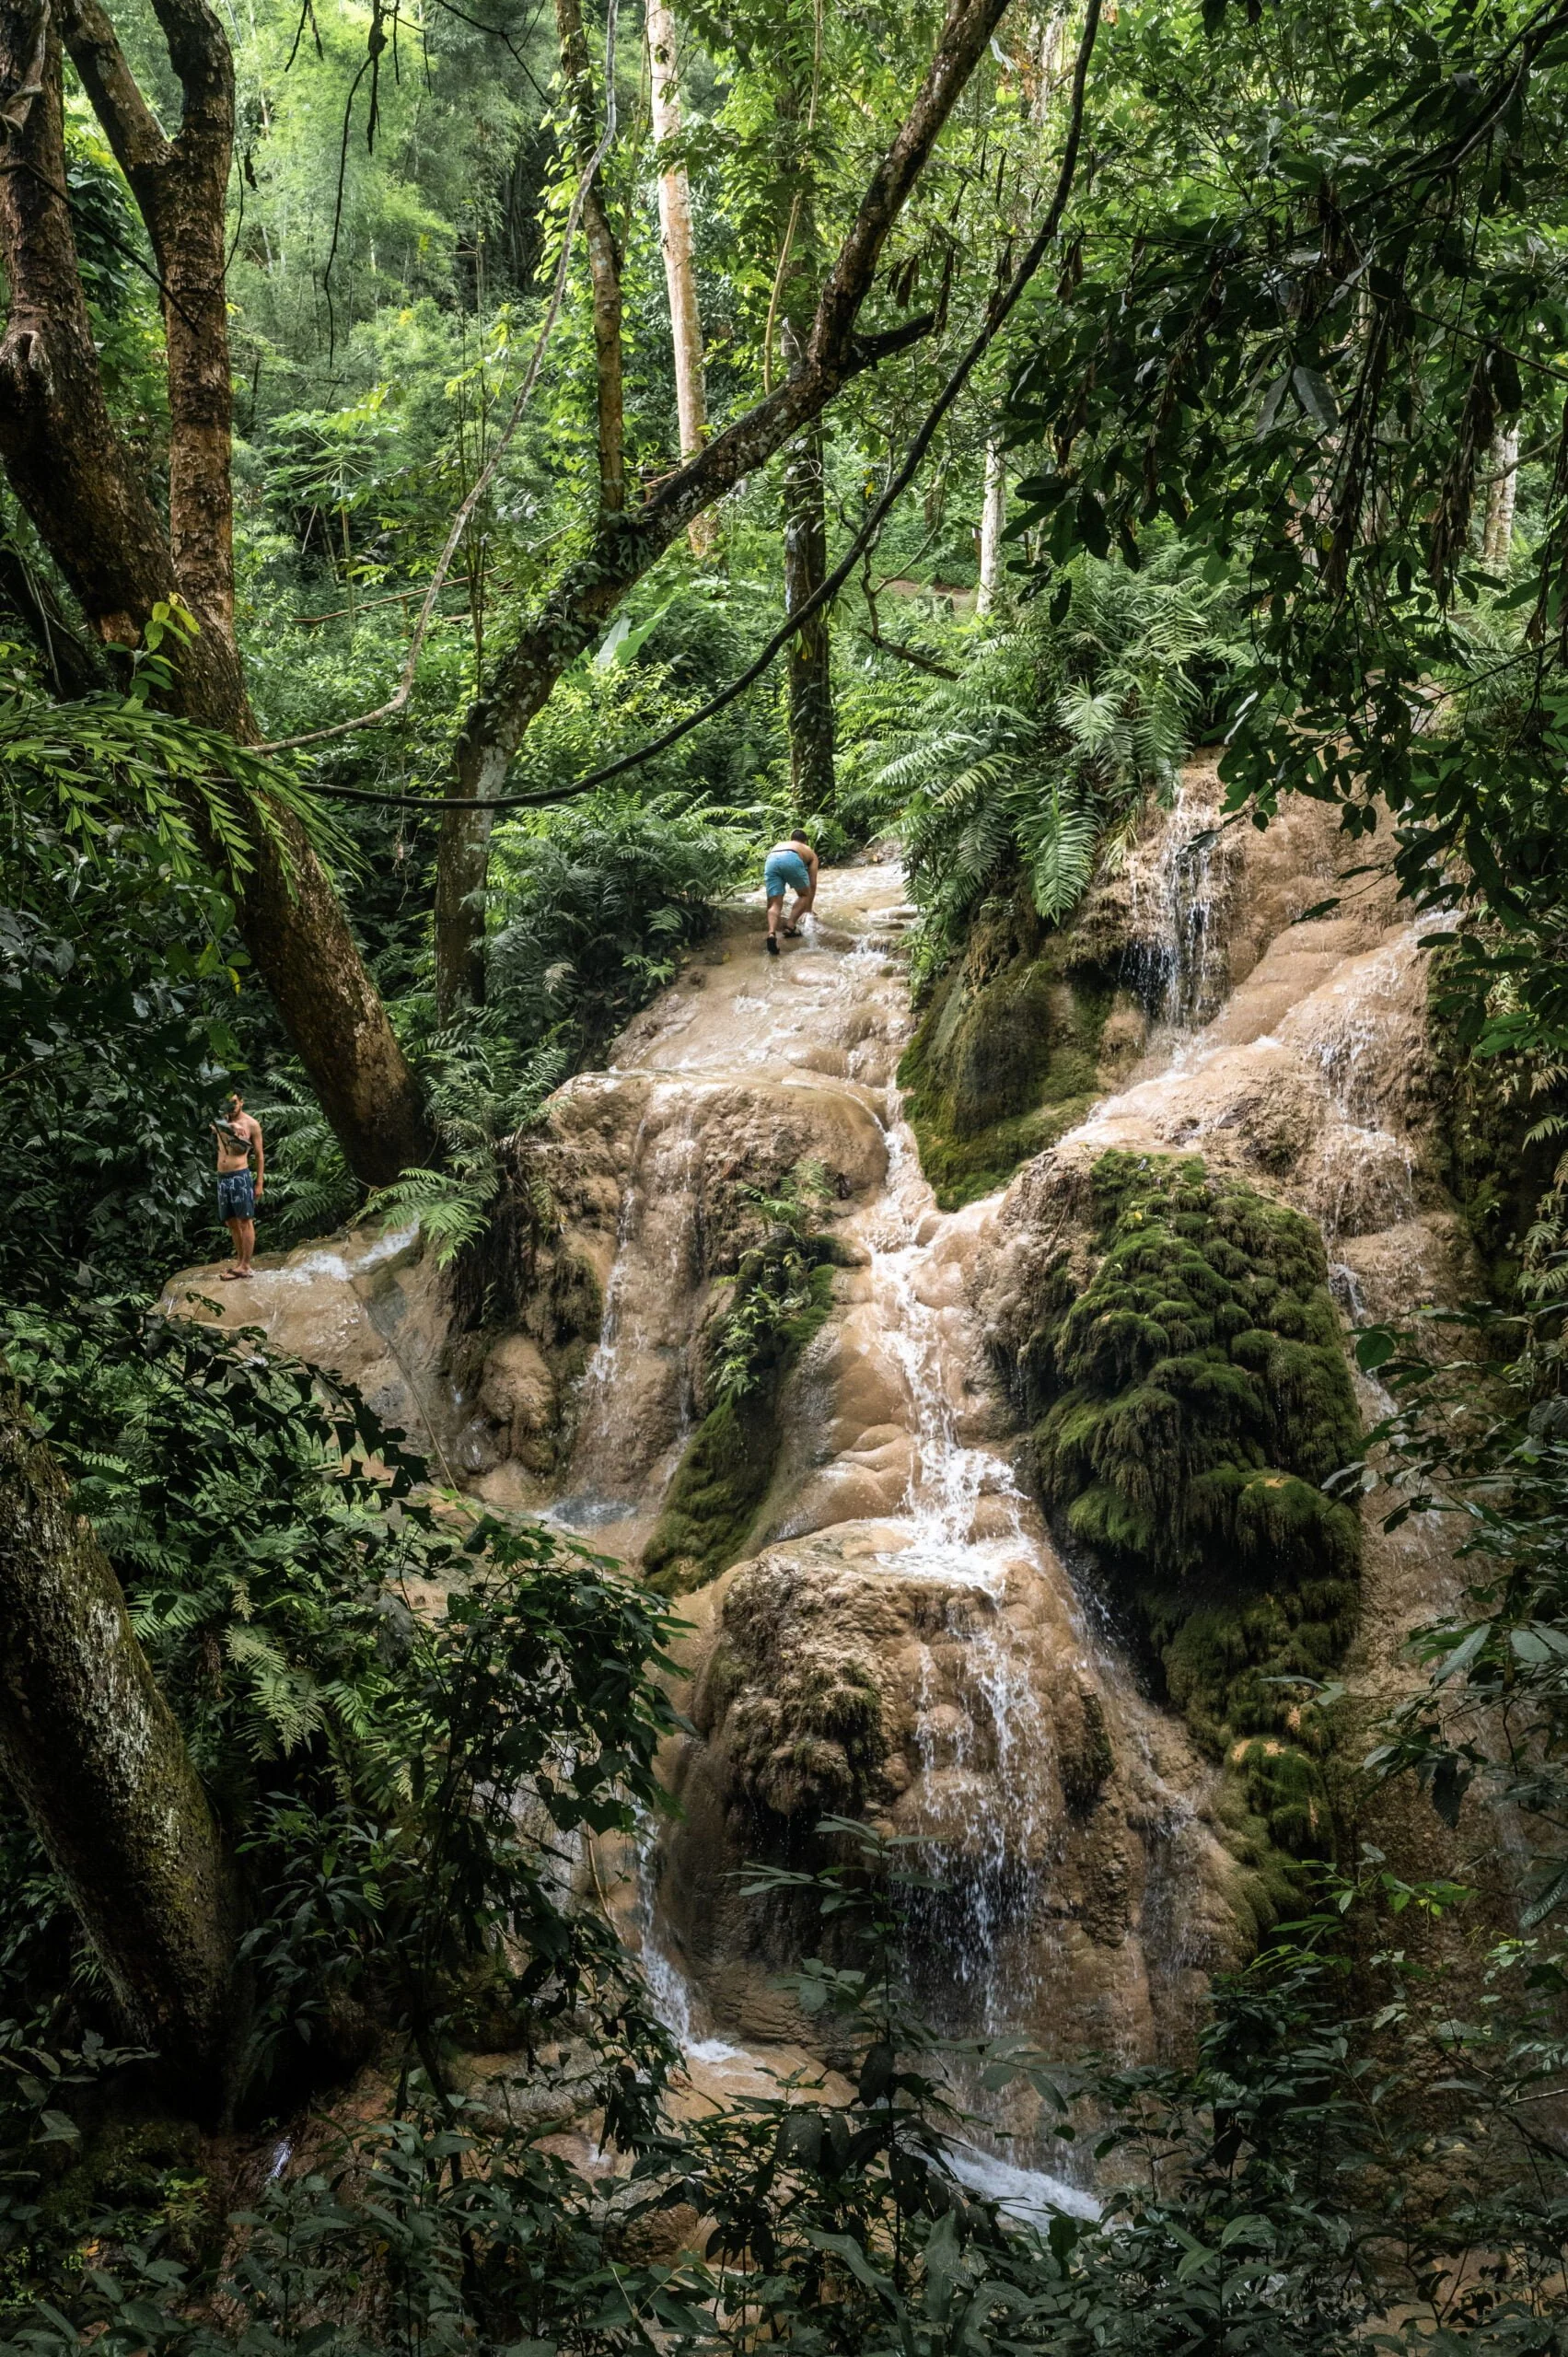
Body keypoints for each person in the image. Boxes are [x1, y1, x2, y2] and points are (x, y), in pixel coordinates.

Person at [213, 1090, 264, 1280]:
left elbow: (259, 1155)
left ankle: (246, 1265)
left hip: (240, 1176)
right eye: (228, 1103)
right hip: (222, 1177)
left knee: (245, 1220)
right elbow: (211, 1124)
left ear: (241, 1102)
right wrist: (231, 1126)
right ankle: (240, 1262)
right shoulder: (221, 1121)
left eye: (234, 1103)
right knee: (231, 1221)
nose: (231, 1107)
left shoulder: (252, 1124)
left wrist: (259, 1182)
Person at [762, 830, 819, 955]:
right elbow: (812, 883)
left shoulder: (780, 844)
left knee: (775, 904)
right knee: (804, 894)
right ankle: (790, 926)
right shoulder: (807, 849)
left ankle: (771, 932)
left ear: (791, 839)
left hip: (771, 859)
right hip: (792, 857)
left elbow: (769, 898)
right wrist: (808, 909)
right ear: (805, 841)